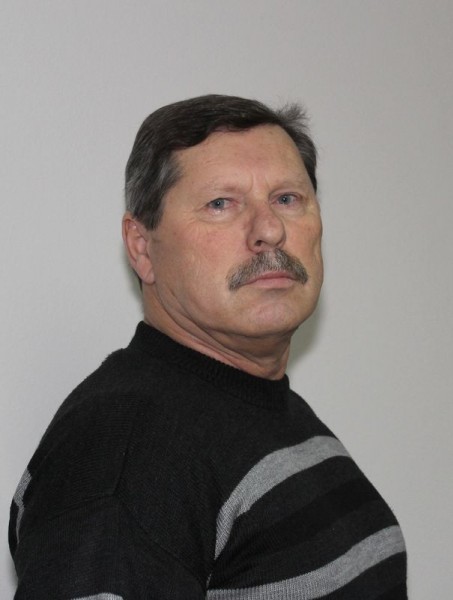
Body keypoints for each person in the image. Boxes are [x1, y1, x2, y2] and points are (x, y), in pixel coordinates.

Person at [9, 94, 407, 599]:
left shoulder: (262, 407)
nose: (270, 230)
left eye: (287, 198)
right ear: (141, 246)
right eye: (221, 204)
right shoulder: (130, 453)